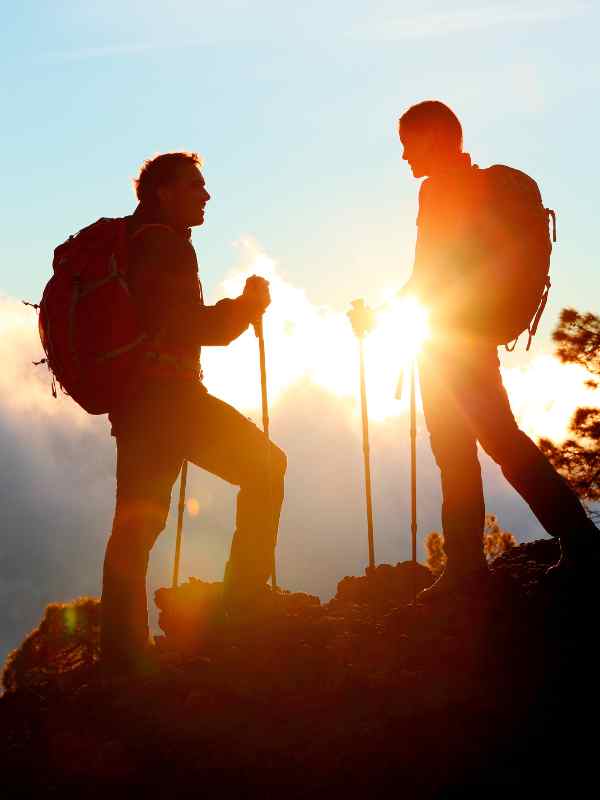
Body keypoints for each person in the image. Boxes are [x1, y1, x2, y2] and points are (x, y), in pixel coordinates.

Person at [396, 100, 600, 602]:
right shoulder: (472, 187)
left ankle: (478, 566)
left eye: (408, 143)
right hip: (470, 335)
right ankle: (566, 545)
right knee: (491, 443)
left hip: (448, 340)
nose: (404, 156)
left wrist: (385, 313)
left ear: (437, 138)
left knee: (471, 448)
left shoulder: (440, 190)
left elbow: (428, 275)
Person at [101, 151, 287, 671]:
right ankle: (241, 605)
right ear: (163, 191)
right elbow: (190, 327)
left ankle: (121, 655)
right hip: (172, 402)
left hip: (137, 406)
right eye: (194, 187)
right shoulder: (164, 246)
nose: (206, 196)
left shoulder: (137, 242)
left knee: (135, 527)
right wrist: (248, 306)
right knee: (267, 467)